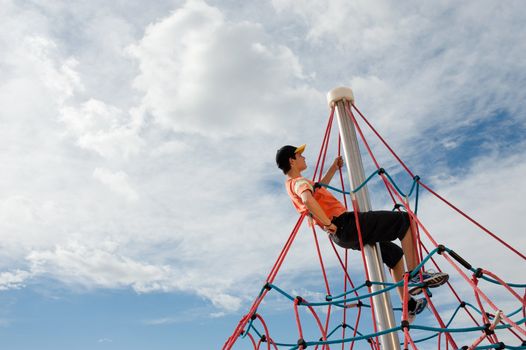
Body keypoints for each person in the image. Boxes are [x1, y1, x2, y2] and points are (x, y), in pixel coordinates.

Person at [276, 144, 449, 323]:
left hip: (341, 236)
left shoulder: (292, 185)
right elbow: (308, 200)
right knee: (405, 220)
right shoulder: (299, 183)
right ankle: (415, 274)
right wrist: (328, 223)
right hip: (345, 224)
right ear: (292, 160)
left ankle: (409, 304)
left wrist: (333, 169)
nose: (304, 158)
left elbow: (318, 190)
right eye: (300, 155)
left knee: (396, 256)